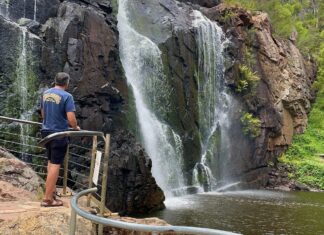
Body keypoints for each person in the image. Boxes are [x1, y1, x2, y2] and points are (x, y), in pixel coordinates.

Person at [40, 72, 80, 207]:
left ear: (54, 81)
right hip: (59, 134)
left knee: (50, 163)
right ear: (67, 83)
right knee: (55, 165)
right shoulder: (67, 96)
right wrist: (75, 127)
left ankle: (50, 193)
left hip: (46, 132)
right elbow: (71, 117)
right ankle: (48, 199)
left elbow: (43, 113)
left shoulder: (46, 93)